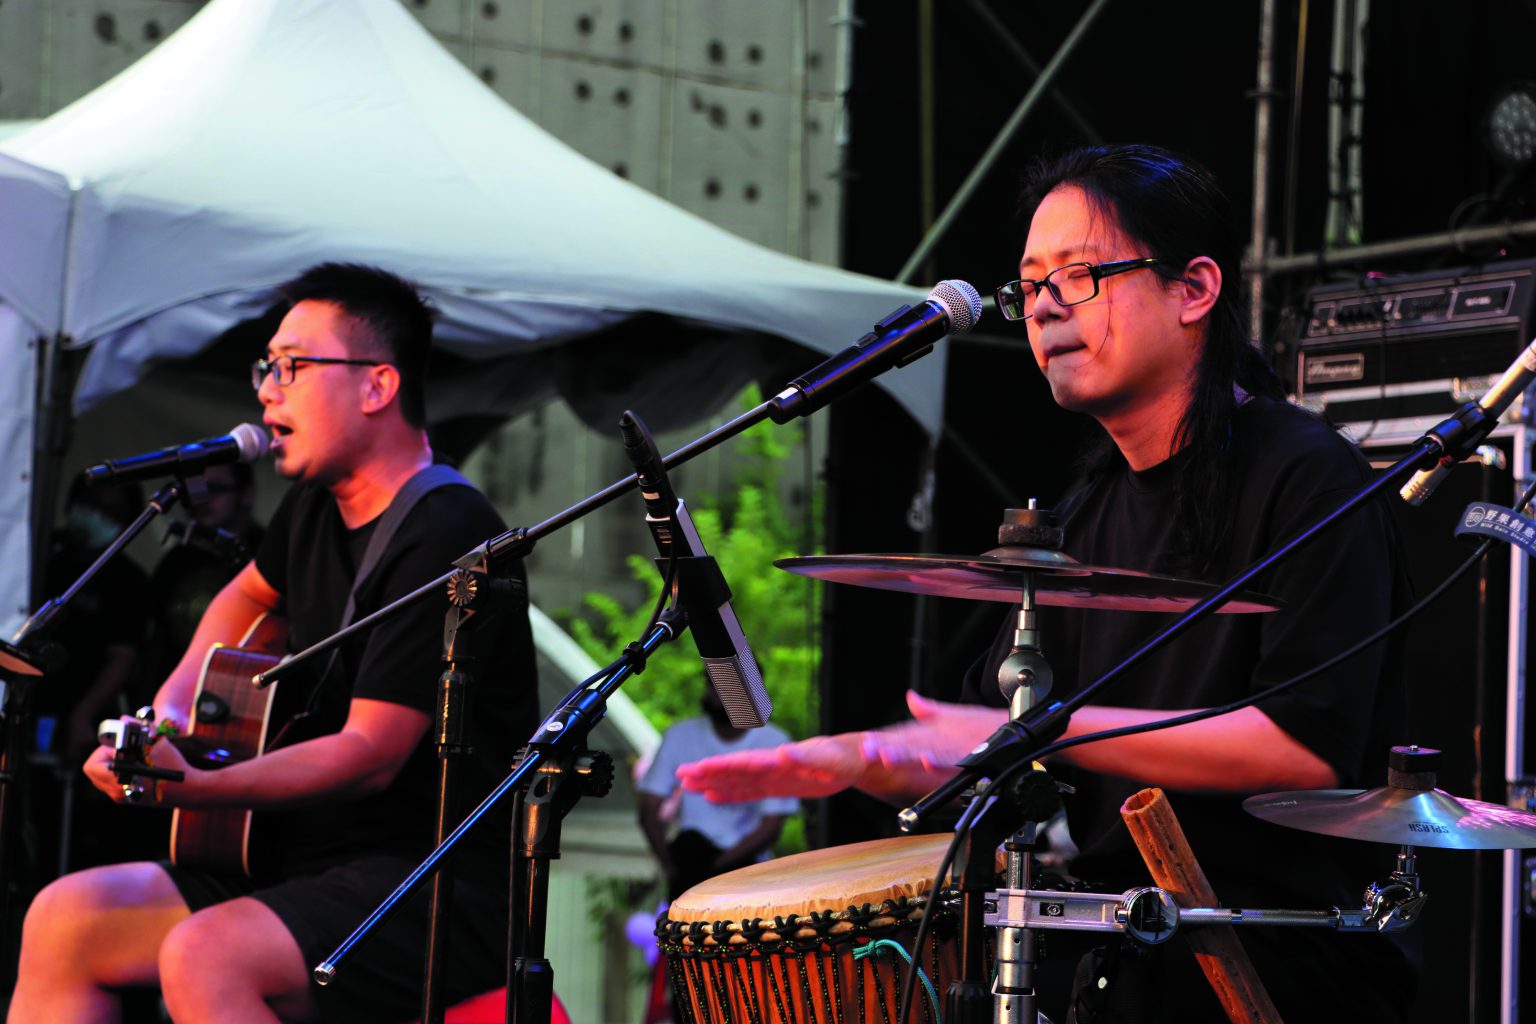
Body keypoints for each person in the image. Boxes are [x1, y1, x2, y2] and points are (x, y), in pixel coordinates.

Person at [678, 145, 1416, 1022]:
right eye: (1029, 285)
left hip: (1281, 969)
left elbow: (1303, 745)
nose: (1044, 306)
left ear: (1194, 290)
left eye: (1079, 275)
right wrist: (873, 758)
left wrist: (1039, 728)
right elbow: (986, 741)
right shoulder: (1086, 512)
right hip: (1123, 966)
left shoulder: (1312, 480)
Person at [8, 263, 539, 1023]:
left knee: (205, 954)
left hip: (429, 882)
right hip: (297, 859)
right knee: (67, 919)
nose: (266, 391)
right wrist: (169, 715)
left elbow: (369, 753)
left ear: (377, 386)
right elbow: (248, 594)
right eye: (267, 368)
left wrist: (198, 788)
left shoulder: (447, 532)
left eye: (292, 366)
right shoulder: (314, 504)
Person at [636, 686, 797, 901]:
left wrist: (710, 870)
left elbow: (771, 827)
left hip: (745, 874)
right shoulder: (680, 735)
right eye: (714, 684)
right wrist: (675, 868)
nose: (721, 694)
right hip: (691, 864)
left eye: (730, 684)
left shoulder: (774, 742)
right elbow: (648, 810)